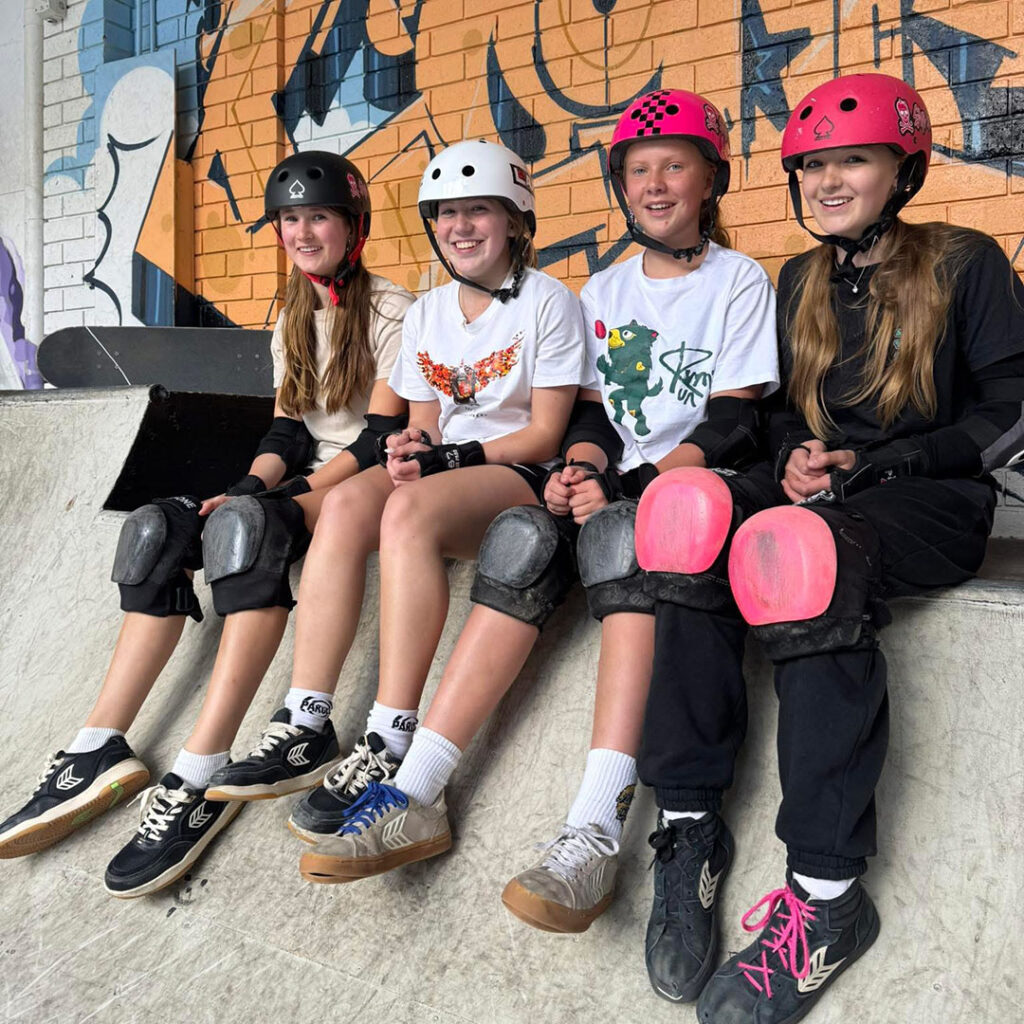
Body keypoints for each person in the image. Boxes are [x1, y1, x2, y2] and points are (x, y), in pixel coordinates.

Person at [292, 93, 779, 918]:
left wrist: (627, 484)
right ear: (620, 186)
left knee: (623, 539)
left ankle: (593, 832)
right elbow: (589, 417)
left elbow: (735, 417)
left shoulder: (740, 280)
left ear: (712, 179)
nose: (655, 185)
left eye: (674, 167)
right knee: (521, 536)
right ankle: (416, 791)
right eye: (638, 170)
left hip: (690, 483)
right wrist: (580, 467)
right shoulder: (603, 290)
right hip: (611, 478)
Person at [632, 73, 1024, 1021]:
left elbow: (1009, 413)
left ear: (904, 167)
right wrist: (794, 455)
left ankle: (827, 900)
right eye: (813, 166)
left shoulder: (967, 263)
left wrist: (882, 467)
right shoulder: (799, 280)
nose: (829, 180)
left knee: (797, 555)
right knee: (685, 515)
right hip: (828, 486)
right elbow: (771, 417)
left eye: (854, 159)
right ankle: (687, 832)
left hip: (932, 495)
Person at [0, 151, 415, 900]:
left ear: (353, 226)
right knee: (160, 529)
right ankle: (98, 747)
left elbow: (378, 438)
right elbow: (286, 432)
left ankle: (200, 772)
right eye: (290, 220)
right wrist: (239, 487)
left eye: (317, 217)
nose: (302, 233)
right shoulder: (291, 313)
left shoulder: (393, 310)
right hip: (302, 478)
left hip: (364, 481)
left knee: (246, 532)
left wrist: (281, 498)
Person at [201, 140, 585, 876]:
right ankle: (307, 720)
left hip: (519, 475)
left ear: (515, 220)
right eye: (446, 214)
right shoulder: (430, 313)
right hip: (451, 469)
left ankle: (389, 735)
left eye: (479, 212)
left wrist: (445, 462)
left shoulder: (549, 301)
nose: (460, 227)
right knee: (348, 504)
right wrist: (415, 451)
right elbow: (426, 423)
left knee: (405, 514)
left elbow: (543, 432)